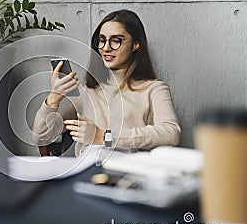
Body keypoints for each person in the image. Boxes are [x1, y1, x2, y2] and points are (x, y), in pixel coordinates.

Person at [33, 9, 181, 157]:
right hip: (90, 171)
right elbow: (41, 138)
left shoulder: (154, 89)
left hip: (130, 171)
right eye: (102, 40)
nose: (106, 48)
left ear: (136, 44)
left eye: (116, 41)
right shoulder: (88, 93)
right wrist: (53, 99)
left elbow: (171, 133)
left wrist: (104, 137)